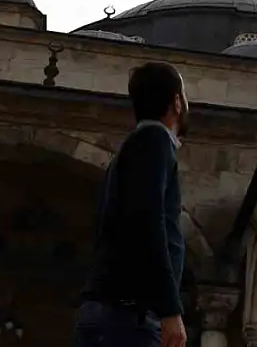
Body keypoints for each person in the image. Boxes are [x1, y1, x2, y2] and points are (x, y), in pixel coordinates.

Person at [76, 61, 190, 347]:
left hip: (116, 312)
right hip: (129, 315)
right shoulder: (154, 140)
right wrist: (169, 309)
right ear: (176, 102)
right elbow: (148, 223)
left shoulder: (134, 147)